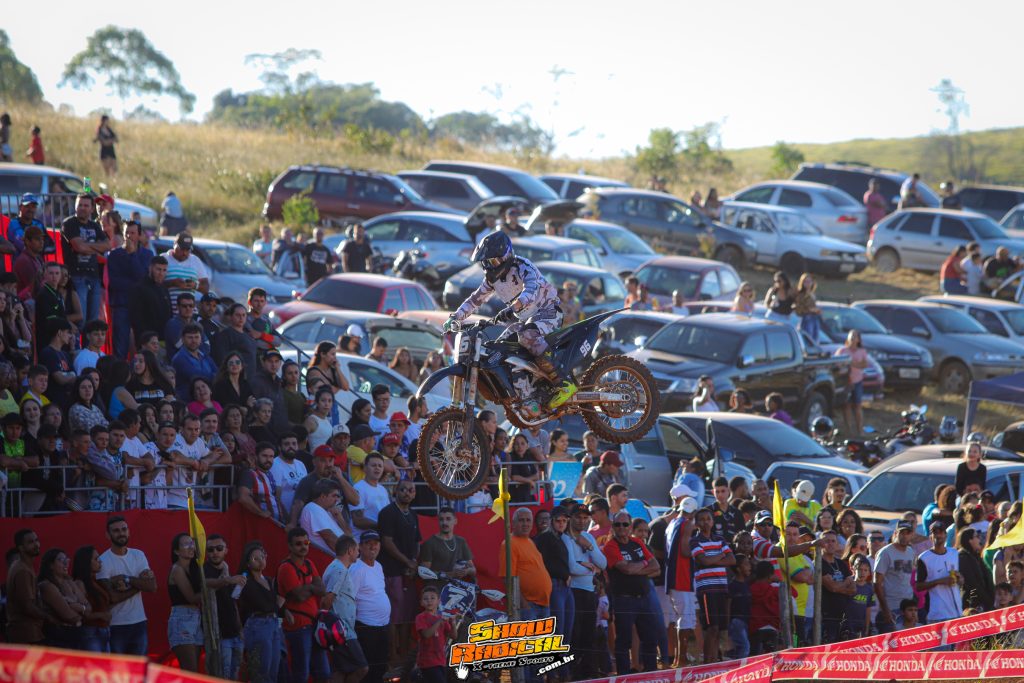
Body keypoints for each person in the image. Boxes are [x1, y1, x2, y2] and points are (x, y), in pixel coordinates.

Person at [445, 231, 576, 408]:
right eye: (486, 262)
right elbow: (475, 299)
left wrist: (513, 308)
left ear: (506, 255)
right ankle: (527, 395)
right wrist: (456, 316)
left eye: (493, 261)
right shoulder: (492, 280)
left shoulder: (523, 267)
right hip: (526, 319)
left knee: (527, 337)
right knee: (501, 347)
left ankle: (563, 382)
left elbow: (530, 291)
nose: (490, 266)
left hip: (549, 311)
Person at [603, 510, 660, 673]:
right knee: (624, 641)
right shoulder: (611, 546)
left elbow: (656, 567)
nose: (621, 527)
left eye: (625, 524)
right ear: (613, 526)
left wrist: (637, 565)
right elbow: (626, 569)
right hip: (624, 599)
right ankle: (624, 676)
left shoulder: (637, 542)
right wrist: (644, 563)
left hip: (644, 598)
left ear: (630, 526)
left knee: (650, 639)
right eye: (617, 524)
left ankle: (652, 674)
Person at [278, 527, 330, 683]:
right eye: (298, 544)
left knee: (323, 673)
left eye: (306, 543)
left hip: (313, 626)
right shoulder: (286, 568)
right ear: (290, 546)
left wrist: (308, 588)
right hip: (297, 628)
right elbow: (300, 596)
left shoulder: (309, 563)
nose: (303, 547)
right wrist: (312, 587)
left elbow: (322, 590)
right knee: (301, 674)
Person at [236, 542, 288, 683]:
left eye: (262, 557)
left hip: (273, 623)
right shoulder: (244, 581)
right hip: (257, 624)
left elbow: (277, 603)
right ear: (247, 562)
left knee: (274, 669)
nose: (260, 561)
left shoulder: (269, 580)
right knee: (261, 670)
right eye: (255, 558)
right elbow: (236, 600)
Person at [690, 508, 735, 663]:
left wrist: (714, 558)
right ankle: (707, 662)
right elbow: (704, 561)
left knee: (719, 628)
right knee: (711, 627)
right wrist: (721, 554)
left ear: (713, 521)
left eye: (708, 519)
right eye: (701, 519)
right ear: (696, 523)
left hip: (721, 588)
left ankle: (714, 660)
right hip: (706, 590)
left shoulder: (720, 539)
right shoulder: (694, 541)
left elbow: (732, 560)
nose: (705, 522)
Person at [61, 193, 110, 323]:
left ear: (92, 209)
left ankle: (89, 345)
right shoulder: (69, 223)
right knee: (80, 320)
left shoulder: (95, 226)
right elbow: (78, 248)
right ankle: (78, 344)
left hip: (94, 276)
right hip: (76, 276)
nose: (82, 208)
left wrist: (86, 245)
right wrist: (96, 248)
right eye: (80, 205)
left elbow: (107, 245)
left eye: (86, 205)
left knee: (93, 322)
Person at [349, 530, 391, 683]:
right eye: (369, 543)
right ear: (360, 547)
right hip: (365, 627)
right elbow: (349, 599)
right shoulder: (356, 569)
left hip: (383, 625)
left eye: (376, 543)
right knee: (368, 669)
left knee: (380, 667)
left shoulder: (378, 566)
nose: (373, 547)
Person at [167, 533, 204, 671]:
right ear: (176, 551)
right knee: (190, 670)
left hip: (196, 617)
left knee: (195, 671)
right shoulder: (177, 569)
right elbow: (192, 597)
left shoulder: (195, 568)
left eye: (192, 543)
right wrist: (215, 586)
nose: (191, 547)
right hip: (182, 619)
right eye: (186, 544)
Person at [873, 521, 918, 634]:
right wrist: (885, 609)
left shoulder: (910, 552)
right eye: (902, 532)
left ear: (911, 535)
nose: (904, 536)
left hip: (907, 606)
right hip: (891, 606)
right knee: (892, 645)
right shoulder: (885, 553)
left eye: (908, 533)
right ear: (895, 533)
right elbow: (877, 583)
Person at [418, 506, 475, 591]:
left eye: (448, 519)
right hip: (436, 592)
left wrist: (466, 571)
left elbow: (473, 570)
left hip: (457, 591)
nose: (444, 522)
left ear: (455, 521)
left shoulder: (461, 541)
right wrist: (449, 574)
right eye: (441, 519)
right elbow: (424, 573)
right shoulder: (430, 543)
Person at [916, 521, 962, 626]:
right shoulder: (924, 558)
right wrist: (940, 581)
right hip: (937, 615)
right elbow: (918, 586)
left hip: (957, 612)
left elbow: (961, 580)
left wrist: (960, 578)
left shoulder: (954, 553)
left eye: (941, 532)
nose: (938, 535)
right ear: (930, 537)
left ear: (946, 535)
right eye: (935, 533)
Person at [7, 528, 46, 644]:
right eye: (31, 542)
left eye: (36, 540)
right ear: (21, 548)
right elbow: (28, 607)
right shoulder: (22, 570)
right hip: (27, 634)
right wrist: (49, 617)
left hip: (28, 632)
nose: (36, 544)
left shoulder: (22, 565)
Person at [72, 545, 113, 652]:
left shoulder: (96, 582)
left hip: (104, 631)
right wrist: (102, 615)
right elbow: (82, 612)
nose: (100, 562)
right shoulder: (80, 583)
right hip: (91, 632)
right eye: (96, 559)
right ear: (86, 562)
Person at [163, 233, 210, 316]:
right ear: (174, 245)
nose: (184, 253)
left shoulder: (195, 261)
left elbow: (206, 288)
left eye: (187, 250)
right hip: (169, 312)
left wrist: (194, 285)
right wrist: (172, 283)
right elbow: (155, 284)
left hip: (191, 314)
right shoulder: (164, 258)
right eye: (181, 249)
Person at [129, 257, 173, 346]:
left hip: (164, 341)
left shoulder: (164, 288)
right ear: (150, 268)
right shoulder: (139, 288)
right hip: (147, 342)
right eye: (158, 269)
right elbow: (136, 319)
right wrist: (145, 341)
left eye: (164, 270)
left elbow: (169, 314)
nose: (161, 273)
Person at [415, 586, 453, 683]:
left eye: (432, 598)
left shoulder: (441, 618)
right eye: (425, 598)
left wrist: (453, 623)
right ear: (421, 602)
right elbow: (426, 634)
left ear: (438, 601)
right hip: (427, 662)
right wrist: (439, 622)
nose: (429, 601)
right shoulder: (421, 617)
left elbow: (453, 636)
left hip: (441, 660)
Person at [836, 329, 868, 435]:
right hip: (845, 382)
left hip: (857, 381)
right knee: (846, 406)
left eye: (855, 336)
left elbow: (864, 364)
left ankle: (860, 429)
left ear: (859, 339)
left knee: (858, 405)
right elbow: (836, 364)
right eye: (851, 336)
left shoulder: (862, 351)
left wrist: (853, 364)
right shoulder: (842, 351)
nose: (853, 338)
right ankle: (848, 430)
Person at [958, 527, 994, 611]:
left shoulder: (975, 555)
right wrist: (987, 600)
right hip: (973, 605)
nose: (979, 539)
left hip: (984, 602)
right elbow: (971, 583)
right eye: (977, 536)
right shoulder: (963, 557)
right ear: (970, 540)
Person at [794, 273, 822, 340]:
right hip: (807, 318)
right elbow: (798, 309)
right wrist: (810, 310)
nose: (808, 283)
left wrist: (817, 310)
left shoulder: (812, 293)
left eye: (809, 281)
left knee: (815, 339)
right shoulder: (801, 294)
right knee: (809, 339)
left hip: (815, 318)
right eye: (805, 281)